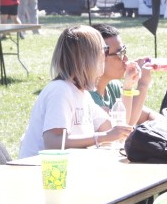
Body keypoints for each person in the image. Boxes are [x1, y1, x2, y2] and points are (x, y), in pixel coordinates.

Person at [18, 26, 133, 158]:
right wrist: (103, 137)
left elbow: (112, 128)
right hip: (38, 173)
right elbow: (53, 143)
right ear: (86, 59)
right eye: (103, 52)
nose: (104, 57)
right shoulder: (60, 90)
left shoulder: (83, 94)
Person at [91, 24, 159, 125]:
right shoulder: (87, 96)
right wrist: (142, 84)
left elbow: (147, 115)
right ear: (98, 58)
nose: (126, 59)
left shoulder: (113, 86)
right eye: (119, 54)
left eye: (124, 51)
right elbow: (126, 127)